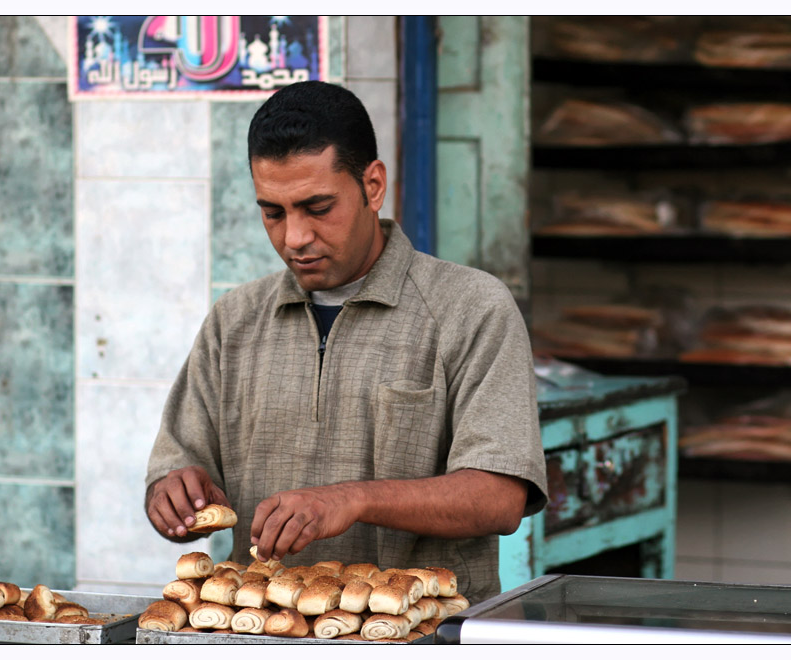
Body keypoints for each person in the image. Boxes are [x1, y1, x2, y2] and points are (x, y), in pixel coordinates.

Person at [144, 80, 548, 603]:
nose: (294, 237)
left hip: (417, 631)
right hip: (263, 629)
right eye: (273, 212)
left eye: (317, 207)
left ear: (373, 186)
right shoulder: (234, 320)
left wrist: (353, 499)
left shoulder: (470, 307)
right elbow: (177, 466)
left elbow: (499, 498)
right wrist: (173, 495)